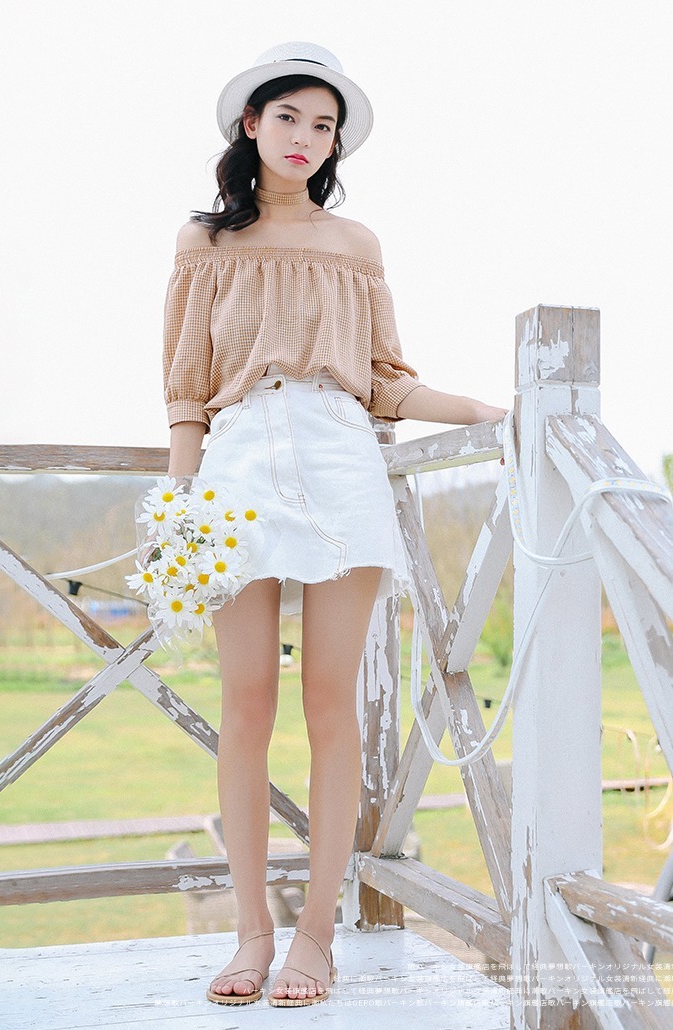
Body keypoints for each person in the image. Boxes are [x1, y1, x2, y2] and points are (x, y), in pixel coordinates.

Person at [162, 41, 507, 1008]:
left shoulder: (357, 246)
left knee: (330, 705)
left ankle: (316, 935)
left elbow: (387, 379)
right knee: (245, 706)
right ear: (250, 124)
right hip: (237, 463)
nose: (306, 138)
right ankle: (251, 933)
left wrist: (484, 411)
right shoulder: (204, 243)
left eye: (324, 126)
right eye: (289, 118)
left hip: (342, 459)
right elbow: (185, 387)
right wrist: (182, 507)